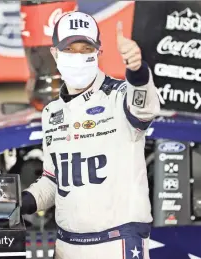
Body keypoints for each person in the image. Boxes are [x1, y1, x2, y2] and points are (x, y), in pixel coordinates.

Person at [21, 11, 160, 259]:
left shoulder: (120, 95)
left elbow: (145, 106)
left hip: (117, 243)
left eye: (86, 49)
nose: (78, 56)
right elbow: (54, 180)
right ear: (55, 53)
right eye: (70, 49)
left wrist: (137, 70)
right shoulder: (51, 112)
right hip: (66, 245)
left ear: (98, 54)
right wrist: (23, 201)